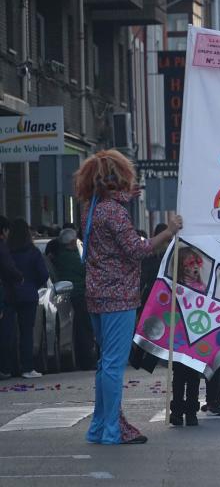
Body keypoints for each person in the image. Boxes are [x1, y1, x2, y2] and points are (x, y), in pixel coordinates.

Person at [74, 149, 182, 445]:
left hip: (97, 293)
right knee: (112, 363)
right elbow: (137, 249)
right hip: (118, 295)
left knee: (104, 363)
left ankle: (100, 426)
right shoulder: (113, 212)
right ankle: (111, 428)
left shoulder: (92, 209)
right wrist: (169, 232)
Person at [5, 218, 49, 379]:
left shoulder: (7, 251)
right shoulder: (33, 251)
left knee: (7, 332)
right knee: (26, 333)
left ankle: (7, 367)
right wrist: (32, 285)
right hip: (29, 295)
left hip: (9, 295)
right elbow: (43, 274)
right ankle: (27, 367)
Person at [169, 247, 204, 427]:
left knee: (193, 376)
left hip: (196, 339)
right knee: (179, 376)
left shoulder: (203, 287)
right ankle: (176, 411)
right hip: (179, 339)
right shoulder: (174, 287)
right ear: (181, 267)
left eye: (198, 262)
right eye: (191, 263)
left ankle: (191, 411)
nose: (196, 267)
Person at [51, 228, 95, 370]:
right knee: (84, 329)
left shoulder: (59, 257)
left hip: (65, 296)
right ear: (72, 242)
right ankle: (88, 360)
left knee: (76, 330)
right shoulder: (75, 258)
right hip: (79, 295)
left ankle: (82, 359)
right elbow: (87, 271)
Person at [0, 216, 23, 380]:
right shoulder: (2, 247)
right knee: (6, 334)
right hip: (3, 296)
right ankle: (5, 367)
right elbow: (8, 268)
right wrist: (19, 277)